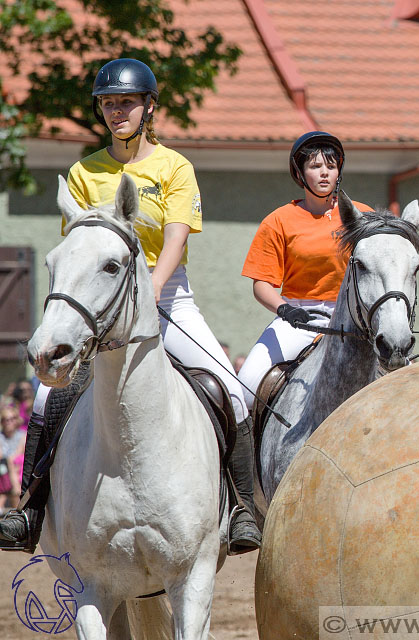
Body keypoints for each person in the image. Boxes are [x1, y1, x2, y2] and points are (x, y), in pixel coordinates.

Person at [0, 58, 260, 554]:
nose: (116, 111)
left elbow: (178, 237)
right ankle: (30, 510)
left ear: (149, 107)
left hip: (167, 294)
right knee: (44, 397)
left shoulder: (174, 167)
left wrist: (155, 289)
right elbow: (79, 253)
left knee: (231, 386)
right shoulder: (83, 171)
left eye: (126, 102)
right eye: (108, 103)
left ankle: (244, 507)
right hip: (102, 304)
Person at [237, 131, 373, 407]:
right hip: (298, 320)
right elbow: (261, 284)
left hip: (353, 320)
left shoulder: (363, 216)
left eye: (331, 166)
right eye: (315, 166)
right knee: (245, 387)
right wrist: (285, 309)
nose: (324, 173)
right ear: (300, 174)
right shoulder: (278, 221)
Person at [0, 405, 25, 511]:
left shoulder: (23, 436)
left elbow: (17, 455)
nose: (9, 422)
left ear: (16, 420)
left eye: (12, 419)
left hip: (18, 470)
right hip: (4, 471)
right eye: (6, 419)